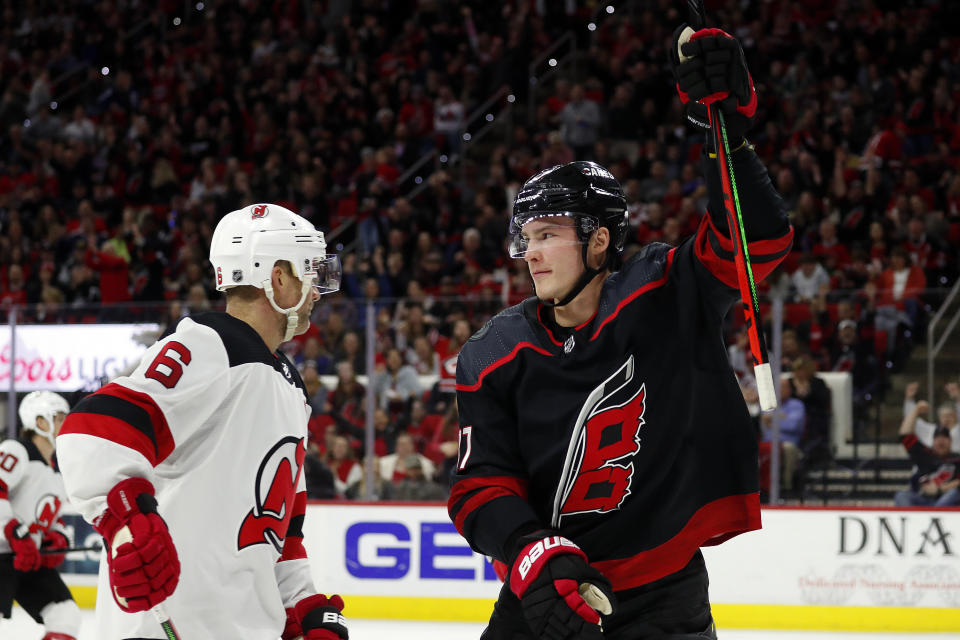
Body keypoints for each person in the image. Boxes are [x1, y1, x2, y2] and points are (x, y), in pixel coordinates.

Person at [448, 26, 793, 640]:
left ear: (599, 238)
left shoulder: (663, 291)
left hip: (664, 592)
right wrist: (534, 555)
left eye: (548, 234)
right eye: (526, 239)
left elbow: (757, 241)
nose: (531, 253)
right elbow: (479, 486)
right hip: (546, 588)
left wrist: (728, 138)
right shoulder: (492, 354)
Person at [56, 204, 349, 639]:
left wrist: (301, 607)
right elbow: (93, 429)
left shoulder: (290, 385)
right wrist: (125, 519)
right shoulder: (212, 343)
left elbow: (280, 529)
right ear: (279, 277)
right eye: (310, 273)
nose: (317, 291)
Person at [1, 391, 81, 640]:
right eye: (59, 418)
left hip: (26, 557)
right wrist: (14, 531)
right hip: (4, 553)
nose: (64, 424)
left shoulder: (57, 473)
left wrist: (55, 537)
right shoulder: (17, 449)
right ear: (39, 422)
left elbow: (48, 518)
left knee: (65, 615)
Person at [894, 403, 960, 507]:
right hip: (923, 501)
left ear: (950, 441)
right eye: (938, 438)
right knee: (901, 495)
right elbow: (905, 435)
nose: (941, 441)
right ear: (933, 441)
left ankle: (934, 517)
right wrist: (916, 410)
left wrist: (940, 489)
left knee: (954, 493)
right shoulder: (925, 455)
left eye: (944, 438)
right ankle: (919, 520)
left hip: (946, 503)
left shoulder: (957, 459)